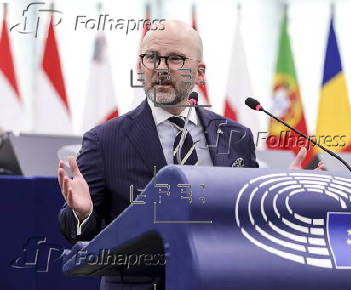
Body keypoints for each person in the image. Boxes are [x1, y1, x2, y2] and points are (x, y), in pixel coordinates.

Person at [57, 20, 322, 290]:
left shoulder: (236, 137)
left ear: (200, 72)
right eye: (151, 58)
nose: (160, 69)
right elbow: (75, 231)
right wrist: (82, 213)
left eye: (175, 59)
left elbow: (247, 217)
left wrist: (281, 192)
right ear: (139, 67)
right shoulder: (104, 141)